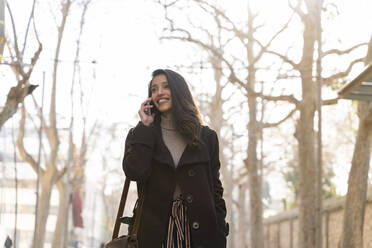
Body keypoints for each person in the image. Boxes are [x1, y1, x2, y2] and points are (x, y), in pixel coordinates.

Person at [122, 69, 229, 248]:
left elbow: (215, 188)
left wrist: (219, 230)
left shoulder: (206, 137)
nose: (159, 92)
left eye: (166, 86)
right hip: (154, 233)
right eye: (154, 89)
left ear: (178, 90)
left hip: (201, 232)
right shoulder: (139, 134)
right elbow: (135, 172)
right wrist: (145, 127)